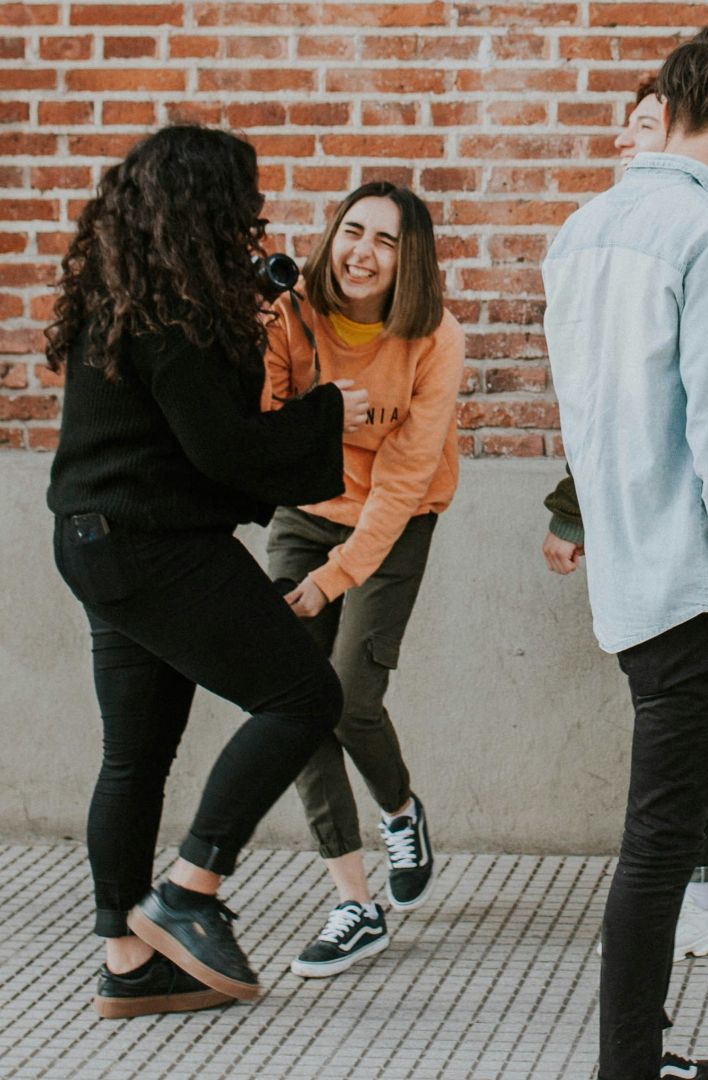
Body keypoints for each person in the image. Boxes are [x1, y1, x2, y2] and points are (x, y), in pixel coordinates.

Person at [45, 125, 368, 1018]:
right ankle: (189, 891)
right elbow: (222, 447)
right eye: (242, 206)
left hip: (94, 542)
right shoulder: (170, 317)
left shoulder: (125, 295)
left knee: (134, 758)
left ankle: (126, 961)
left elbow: (187, 432)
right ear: (206, 210)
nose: (251, 223)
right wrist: (333, 411)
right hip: (155, 549)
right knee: (304, 696)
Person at [541, 23, 708, 1080]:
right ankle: (628, 1069)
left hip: (627, 570)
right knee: (657, 849)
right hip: (694, 578)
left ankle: (639, 1054)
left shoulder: (583, 227)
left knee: (664, 835)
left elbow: (584, 413)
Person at [258, 181, 464, 978]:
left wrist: (335, 578)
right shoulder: (290, 315)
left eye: (386, 240)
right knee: (293, 696)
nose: (363, 252)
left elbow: (405, 477)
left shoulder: (435, 337)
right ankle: (353, 900)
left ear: (410, 260)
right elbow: (260, 423)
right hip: (306, 508)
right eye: (353, 231)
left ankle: (399, 811)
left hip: (396, 516)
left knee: (347, 694)